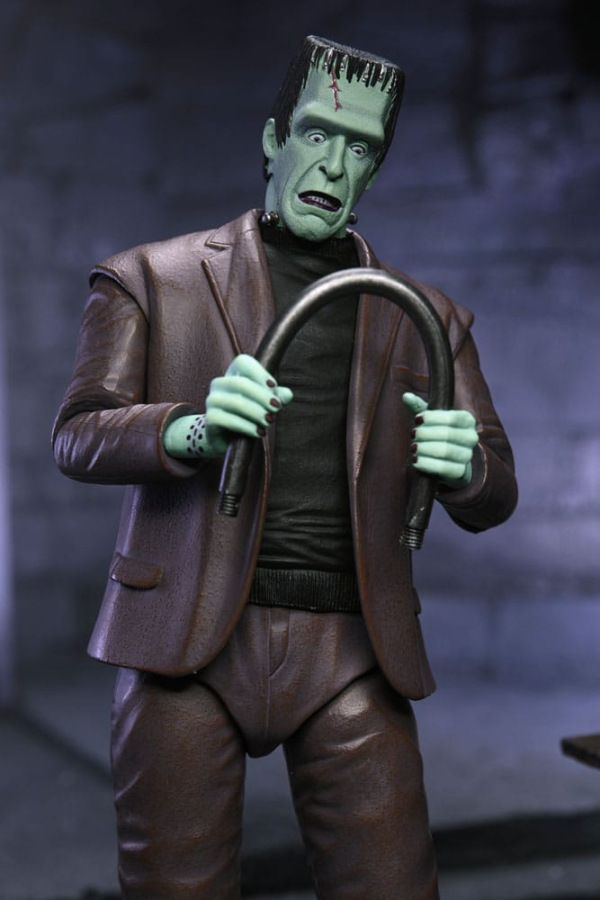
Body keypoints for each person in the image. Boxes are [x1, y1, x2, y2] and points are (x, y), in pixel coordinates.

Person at [53, 35, 517, 900]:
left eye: (361, 148)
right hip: (186, 642)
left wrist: (465, 470)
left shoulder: (429, 319)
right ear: (274, 139)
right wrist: (191, 429)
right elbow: (78, 435)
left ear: (374, 170)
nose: (334, 165)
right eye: (317, 133)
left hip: (351, 648)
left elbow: (496, 488)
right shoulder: (149, 279)